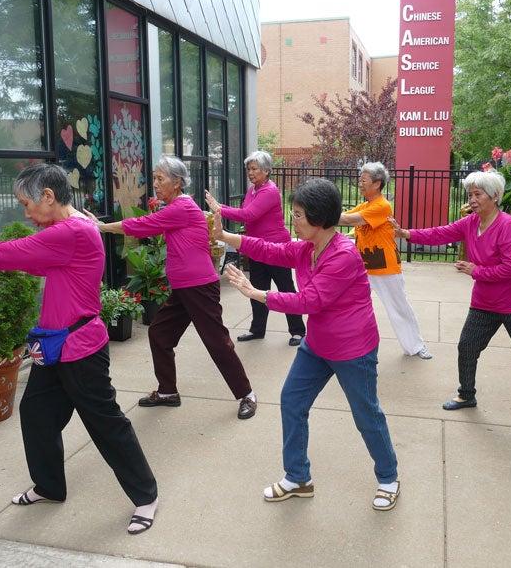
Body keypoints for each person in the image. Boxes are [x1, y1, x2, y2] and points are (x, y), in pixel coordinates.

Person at [0, 163, 159, 534]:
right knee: (36, 414)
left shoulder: (72, 231)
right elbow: (40, 264)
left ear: (48, 196)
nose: (25, 212)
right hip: (55, 345)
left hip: (81, 348)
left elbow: (18, 254)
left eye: (27, 204)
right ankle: (49, 486)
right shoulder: (67, 230)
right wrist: (3, 252)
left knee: (105, 422)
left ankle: (146, 496)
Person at [213, 178, 400, 510]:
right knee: (292, 401)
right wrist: (226, 237)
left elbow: (310, 301)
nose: (293, 221)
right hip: (318, 344)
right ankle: (298, 477)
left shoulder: (342, 255)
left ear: (319, 218)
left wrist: (258, 294)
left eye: (298, 215)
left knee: (366, 414)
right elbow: (271, 249)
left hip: (352, 348)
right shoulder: (307, 248)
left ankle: (388, 478)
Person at [389, 170, 511, 432]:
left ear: (494, 197)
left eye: (477, 194)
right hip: (485, 301)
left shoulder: (507, 226)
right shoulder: (471, 223)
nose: (472, 199)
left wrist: (475, 271)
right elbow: (441, 233)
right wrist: (406, 234)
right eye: (470, 194)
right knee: (467, 347)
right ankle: (466, 395)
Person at [85, 156, 257, 420]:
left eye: (160, 178)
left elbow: (142, 226)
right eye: (154, 178)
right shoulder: (178, 207)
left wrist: (102, 226)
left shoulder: (182, 208)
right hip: (184, 288)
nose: (155, 183)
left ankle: (246, 394)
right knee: (160, 334)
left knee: (216, 341)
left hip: (199, 287)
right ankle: (167, 391)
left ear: (177, 183)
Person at [205, 150, 305, 346]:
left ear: (266, 171)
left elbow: (249, 215)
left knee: (286, 289)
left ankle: (298, 331)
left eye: (254, 169)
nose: (250, 173)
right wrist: (219, 206)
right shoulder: (253, 190)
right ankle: (257, 329)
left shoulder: (270, 191)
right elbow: (245, 212)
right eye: (248, 169)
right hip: (256, 248)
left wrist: (219, 208)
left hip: (276, 249)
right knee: (257, 289)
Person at [338, 162, 432, 359]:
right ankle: (348, 344)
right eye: (360, 179)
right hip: (363, 267)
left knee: (398, 308)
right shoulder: (366, 205)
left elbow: (347, 219)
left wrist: (320, 214)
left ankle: (415, 345)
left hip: (385, 267)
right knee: (350, 304)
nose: (359, 183)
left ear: (377, 183)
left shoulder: (381, 205)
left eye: (363, 180)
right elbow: (350, 221)